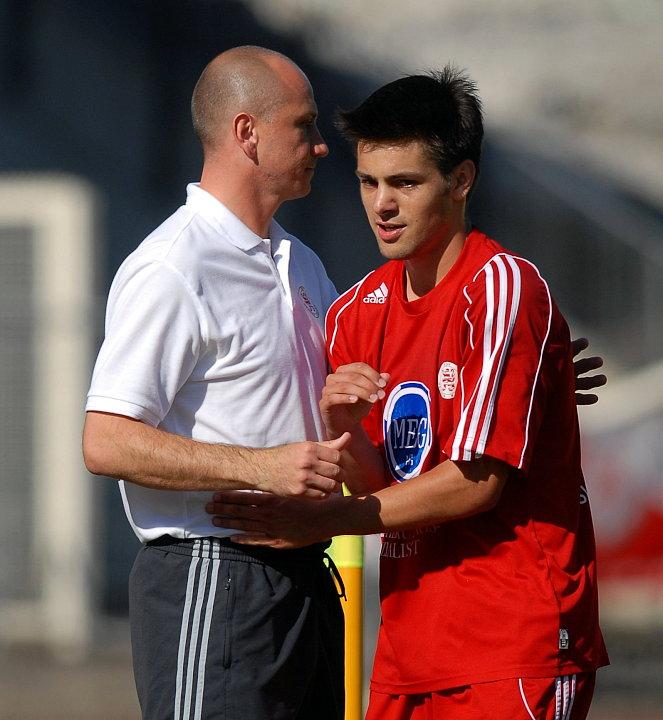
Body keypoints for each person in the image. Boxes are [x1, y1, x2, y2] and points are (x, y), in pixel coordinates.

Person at [207, 67, 609, 720]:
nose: (381, 204)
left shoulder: (501, 288)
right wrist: (345, 427)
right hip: (408, 650)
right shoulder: (354, 312)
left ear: (461, 179)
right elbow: (379, 486)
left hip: (510, 644)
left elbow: (475, 484)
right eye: (368, 182)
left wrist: (324, 521)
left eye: (405, 183)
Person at [82, 46, 350, 720]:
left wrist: (530, 370)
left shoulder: (301, 261)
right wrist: (262, 467)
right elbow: (106, 440)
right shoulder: (174, 265)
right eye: (304, 125)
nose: (321, 146)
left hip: (305, 580)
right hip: (215, 575)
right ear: (246, 133)